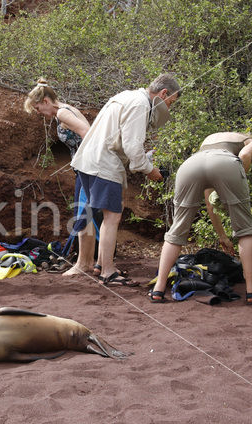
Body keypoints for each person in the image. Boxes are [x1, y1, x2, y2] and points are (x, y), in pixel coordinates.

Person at [70, 73, 181, 285]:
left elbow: (125, 142)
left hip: (88, 160)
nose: (169, 107)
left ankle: (101, 264)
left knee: (102, 216)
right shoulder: (141, 104)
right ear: (164, 93)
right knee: (112, 217)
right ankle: (108, 272)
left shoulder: (127, 96)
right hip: (103, 163)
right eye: (171, 102)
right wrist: (150, 170)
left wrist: (144, 161)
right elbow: (132, 148)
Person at [149, 132, 252, 304]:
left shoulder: (212, 141)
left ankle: (158, 290)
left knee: (177, 231)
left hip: (190, 165)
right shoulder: (251, 141)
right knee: (246, 230)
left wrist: (222, 236)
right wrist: (239, 176)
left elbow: (209, 203)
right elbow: (244, 155)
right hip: (225, 164)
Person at [23, 78, 95, 276]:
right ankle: (86, 262)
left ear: (46, 101)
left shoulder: (62, 113)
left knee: (82, 214)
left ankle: (83, 264)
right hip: (85, 167)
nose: (39, 113)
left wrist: (82, 160)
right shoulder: (64, 111)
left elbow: (87, 133)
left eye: (38, 108)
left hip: (87, 168)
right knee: (85, 215)